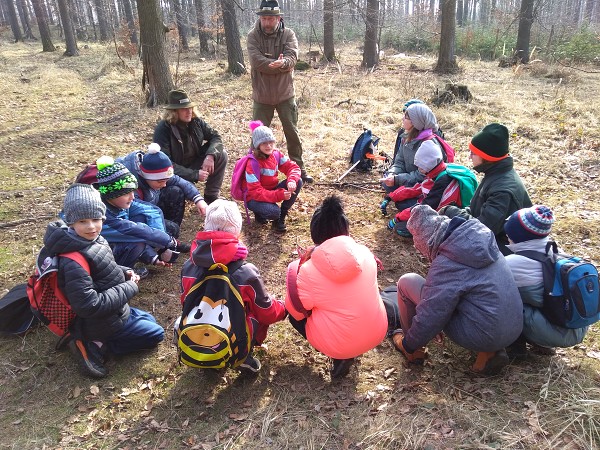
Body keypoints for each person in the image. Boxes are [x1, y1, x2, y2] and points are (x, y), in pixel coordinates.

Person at [40, 183, 164, 378]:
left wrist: (125, 272)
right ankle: (94, 344)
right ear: (71, 222)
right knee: (156, 333)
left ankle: (101, 336)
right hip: (98, 323)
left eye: (96, 219)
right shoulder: (72, 261)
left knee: (150, 320)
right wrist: (130, 287)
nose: (91, 226)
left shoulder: (94, 239)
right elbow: (89, 305)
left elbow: (105, 266)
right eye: (83, 221)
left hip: (115, 311)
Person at [392, 204, 523, 376]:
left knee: (407, 281)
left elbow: (433, 312)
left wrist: (410, 342)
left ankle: (413, 351)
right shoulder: (479, 238)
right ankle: (490, 352)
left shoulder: (448, 263)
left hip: (485, 333)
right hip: (514, 326)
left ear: (426, 241)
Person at [285, 195, 388, 379]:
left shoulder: (308, 271)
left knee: (293, 312)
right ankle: (353, 346)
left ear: (315, 234)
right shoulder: (365, 253)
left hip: (341, 344)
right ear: (346, 230)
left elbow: (298, 312)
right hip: (376, 332)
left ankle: (340, 356)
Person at [179, 199, 287, 372]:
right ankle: (241, 356)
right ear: (237, 231)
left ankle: (205, 354)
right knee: (256, 310)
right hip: (233, 337)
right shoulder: (245, 272)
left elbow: (185, 302)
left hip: (196, 332)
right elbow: (266, 312)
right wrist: (283, 307)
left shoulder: (188, 266)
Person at [504, 205, 588, 358]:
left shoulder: (513, 264)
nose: (506, 236)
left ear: (518, 236)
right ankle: (542, 342)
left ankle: (514, 346)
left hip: (558, 332)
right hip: (577, 326)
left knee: (500, 299)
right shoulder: (555, 251)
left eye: (508, 233)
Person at [440, 123, 532, 255]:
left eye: (473, 153)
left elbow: (482, 229)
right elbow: (477, 210)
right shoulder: (495, 173)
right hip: (494, 237)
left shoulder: (502, 191)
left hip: (508, 250)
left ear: (487, 156)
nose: (469, 157)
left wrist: (452, 211)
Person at [247, 0, 313, 184]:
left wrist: (284, 63)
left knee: (292, 132)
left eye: (271, 19)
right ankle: (254, 170)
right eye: (264, 19)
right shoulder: (253, 36)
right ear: (260, 19)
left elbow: (292, 57)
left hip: (285, 95)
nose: (267, 22)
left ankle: (298, 170)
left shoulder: (288, 34)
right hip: (262, 96)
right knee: (257, 136)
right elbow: (256, 61)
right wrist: (277, 65)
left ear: (278, 18)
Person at [95, 157, 188, 272]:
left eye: (133, 192)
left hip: (115, 241)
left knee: (142, 221)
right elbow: (135, 232)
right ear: (111, 195)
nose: (132, 197)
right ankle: (119, 273)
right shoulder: (102, 216)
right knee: (137, 240)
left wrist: (156, 254)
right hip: (98, 255)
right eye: (126, 193)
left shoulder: (120, 203)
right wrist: (167, 240)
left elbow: (152, 211)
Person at [117, 143, 208, 238]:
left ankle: (171, 237)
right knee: (170, 227)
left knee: (176, 191)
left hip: (152, 204)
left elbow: (179, 181)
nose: (164, 184)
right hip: (135, 217)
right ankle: (162, 242)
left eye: (166, 180)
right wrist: (159, 220)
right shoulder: (127, 183)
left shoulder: (156, 173)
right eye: (160, 182)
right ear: (146, 176)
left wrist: (198, 199)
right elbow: (134, 209)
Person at [152, 89, 228, 204]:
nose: (189, 111)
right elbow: (166, 164)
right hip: (175, 172)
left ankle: (211, 195)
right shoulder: (163, 129)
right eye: (184, 109)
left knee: (221, 154)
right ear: (174, 111)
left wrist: (210, 156)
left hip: (194, 162)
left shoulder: (195, 121)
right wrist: (194, 175)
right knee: (179, 192)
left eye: (190, 107)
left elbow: (215, 137)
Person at [384, 139, 458, 237]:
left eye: (421, 167)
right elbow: (417, 189)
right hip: (433, 207)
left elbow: (423, 207)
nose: (419, 170)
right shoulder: (436, 171)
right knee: (401, 203)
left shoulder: (442, 181)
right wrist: (391, 197)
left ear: (429, 166)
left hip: (443, 217)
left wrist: (397, 218)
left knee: (400, 228)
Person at [245, 120, 303, 232]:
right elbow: (255, 192)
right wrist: (279, 195)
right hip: (253, 198)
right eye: (264, 143)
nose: (268, 146)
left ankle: (281, 217)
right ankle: (260, 212)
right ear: (257, 145)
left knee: (298, 181)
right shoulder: (252, 164)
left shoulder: (276, 154)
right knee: (273, 212)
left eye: (271, 142)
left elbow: (293, 167)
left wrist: (292, 180)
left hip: (270, 190)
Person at [380, 102, 443, 192]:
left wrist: (397, 179)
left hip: (425, 186)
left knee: (404, 203)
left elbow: (422, 176)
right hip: (409, 179)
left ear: (415, 122)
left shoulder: (428, 144)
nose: (402, 119)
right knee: (387, 184)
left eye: (406, 117)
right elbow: (399, 161)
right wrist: (392, 174)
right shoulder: (405, 137)